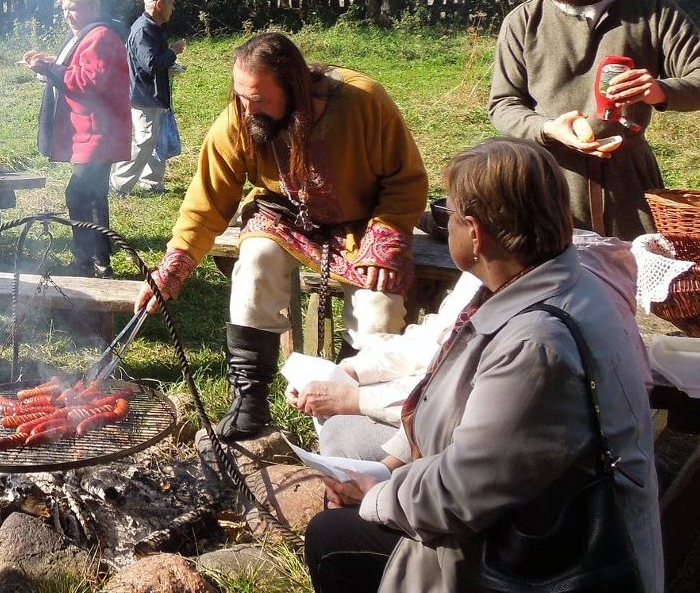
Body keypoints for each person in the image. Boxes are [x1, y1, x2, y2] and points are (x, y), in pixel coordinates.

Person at [303, 138, 661, 593]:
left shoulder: (537, 344)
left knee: (331, 537)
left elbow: (462, 493)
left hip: (541, 564)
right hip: (527, 519)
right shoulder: (553, 284)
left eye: (448, 215)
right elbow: (461, 421)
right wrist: (389, 470)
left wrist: (377, 498)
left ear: (474, 232)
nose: (444, 224)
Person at [135, 31, 427, 444]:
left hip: (363, 224)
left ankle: (356, 413)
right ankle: (250, 400)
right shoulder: (239, 119)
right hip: (283, 215)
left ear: (296, 87)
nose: (247, 108)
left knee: (378, 302)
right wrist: (173, 267)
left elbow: (405, 179)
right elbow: (207, 201)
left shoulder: (364, 101)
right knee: (254, 263)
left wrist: (387, 238)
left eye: (260, 99)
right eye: (241, 96)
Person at [491, 0, 700, 239]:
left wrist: (660, 90)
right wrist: (547, 128)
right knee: (553, 285)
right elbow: (503, 104)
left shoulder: (652, 10)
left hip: (631, 187)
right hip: (548, 185)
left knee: (635, 285)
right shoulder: (523, 22)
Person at [290, 230, 637, 462]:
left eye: (451, 216)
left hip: (513, 479)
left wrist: (354, 401)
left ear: (474, 230)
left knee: (343, 435)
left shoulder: (533, 326)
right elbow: (435, 339)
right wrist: (351, 371)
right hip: (465, 441)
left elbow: (460, 406)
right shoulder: (487, 269)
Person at [23, 0, 132, 278]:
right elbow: (76, 71)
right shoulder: (86, 35)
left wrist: (49, 69)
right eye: (64, 9)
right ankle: (94, 259)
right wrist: (50, 64)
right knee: (89, 195)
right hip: (91, 132)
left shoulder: (101, 37)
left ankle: (95, 263)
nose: (68, 15)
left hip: (99, 132)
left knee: (83, 194)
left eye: (74, 8)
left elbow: (88, 82)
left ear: (93, 6)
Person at [111, 0, 185, 195]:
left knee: (156, 139)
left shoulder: (154, 27)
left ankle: (152, 183)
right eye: (171, 3)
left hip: (155, 93)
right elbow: (151, 64)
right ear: (159, 4)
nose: (174, 7)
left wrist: (170, 65)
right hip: (145, 96)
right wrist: (173, 52)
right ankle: (118, 183)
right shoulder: (144, 30)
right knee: (144, 141)